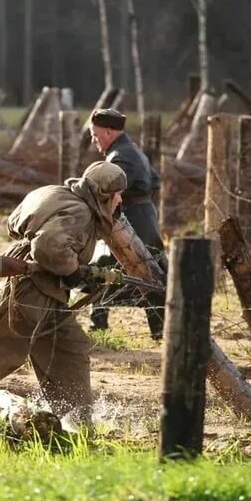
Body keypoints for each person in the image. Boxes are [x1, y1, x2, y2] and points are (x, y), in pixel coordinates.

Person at [0, 161, 128, 425]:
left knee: (70, 350)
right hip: (34, 292)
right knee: (2, 350)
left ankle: (77, 421)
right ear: (103, 194)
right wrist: (73, 273)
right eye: (117, 193)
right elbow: (50, 247)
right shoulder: (80, 212)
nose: (120, 199)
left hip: (44, 292)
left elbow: (17, 224)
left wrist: (83, 274)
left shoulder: (56, 194)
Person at [87, 107, 166, 340]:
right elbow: (155, 181)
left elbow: (112, 188)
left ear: (109, 132)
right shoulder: (133, 151)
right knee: (150, 273)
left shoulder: (120, 157)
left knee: (103, 269)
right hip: (143, 218)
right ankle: (159, 329)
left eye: (95, 134)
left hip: (132, 223)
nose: (93, 140)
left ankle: (97, 326)